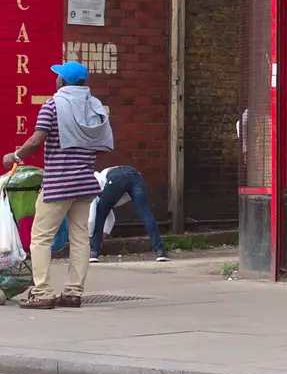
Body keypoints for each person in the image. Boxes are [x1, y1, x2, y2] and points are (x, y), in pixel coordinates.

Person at [2, 61, 114, 309]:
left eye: (58, 77)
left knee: (40, 238)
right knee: (80, 238)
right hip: (85, 184)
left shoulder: (52, 105)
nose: (55, 80)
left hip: (59, 183)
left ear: (62, 82)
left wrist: (16, 155)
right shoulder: (96, 107)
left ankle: (43, 293)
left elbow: (36, 141)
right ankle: (74, 292)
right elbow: (102, 145)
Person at [50, 166, 168, 263]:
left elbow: (91, 219)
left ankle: (94, 253)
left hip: (116, 177)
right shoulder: (98, 180)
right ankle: (160, 251)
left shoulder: (88, 189)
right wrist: (104, 235)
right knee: (145, 213)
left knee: (101, 214)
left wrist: (90, 238)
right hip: (135, 174)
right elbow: (111, 217)